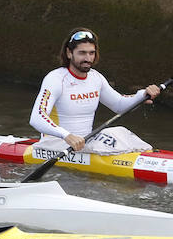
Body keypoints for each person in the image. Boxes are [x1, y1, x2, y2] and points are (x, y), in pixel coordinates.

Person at [29, 29, 162, 155]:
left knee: (120, 132)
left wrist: (142, 95)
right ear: (69, 53)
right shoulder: (55, 79)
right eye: (82, 53)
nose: (88, 58)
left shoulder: (95, 78)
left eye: (91, 53)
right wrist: (67, 135)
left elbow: (119, 104)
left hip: (87, 145)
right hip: (57, 144)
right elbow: (37, 117)